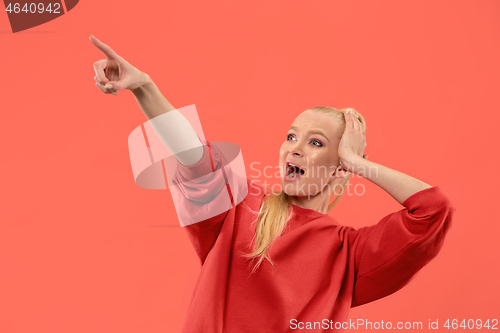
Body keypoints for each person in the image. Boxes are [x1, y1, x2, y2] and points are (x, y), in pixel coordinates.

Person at [90, 35, 456, 332]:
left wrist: (358, 163)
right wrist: (144, 88)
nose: (294, 149)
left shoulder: (349, 254)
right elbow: (195, 153)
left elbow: (432, 212)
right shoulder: (242, 205)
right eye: (292, 136)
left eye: (316, 143)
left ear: (340, 167)